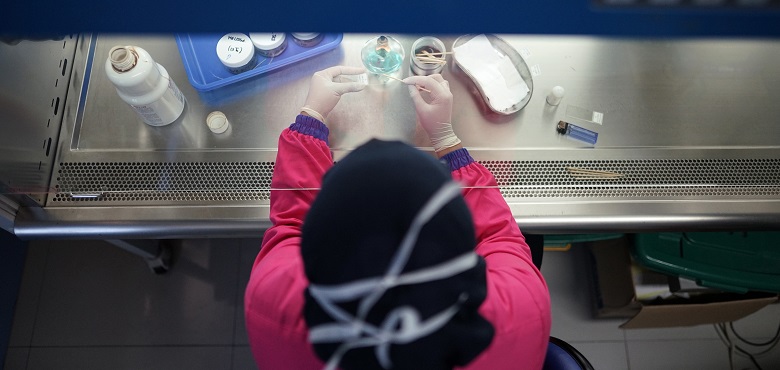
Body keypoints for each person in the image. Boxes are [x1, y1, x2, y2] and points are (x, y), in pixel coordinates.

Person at [244, 66, 551, 369]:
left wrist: (311, 119)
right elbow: (498, 235)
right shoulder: (520, 309)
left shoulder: (272, 304)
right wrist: (447, 141)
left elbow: (290, 226)